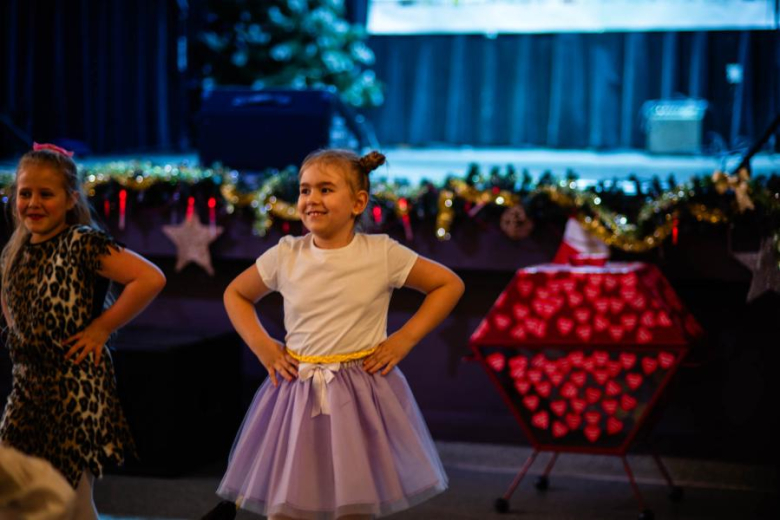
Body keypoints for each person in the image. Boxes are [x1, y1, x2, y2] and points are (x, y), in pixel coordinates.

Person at [204, 149, 464, 520]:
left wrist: (404, 339)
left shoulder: (381, 253)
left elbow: (447, 285)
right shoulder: (286, 254)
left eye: (325, 189)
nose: (311, 199)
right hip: (296, 393)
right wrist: (264, 346)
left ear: (358, 202)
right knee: (288, 502)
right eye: (304, 190)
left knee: (353, 502)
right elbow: (237, 294)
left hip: (359, 395)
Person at [0, 143, 166, 519]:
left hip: (74, 390)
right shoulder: (16, 249)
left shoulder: (82, 242)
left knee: (67, 500)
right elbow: (9, 297)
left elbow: (149, 278)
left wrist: (101, 328)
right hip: (27, 388)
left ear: (70, 198)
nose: (33, 203)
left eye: (46, 194)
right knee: (14, 494)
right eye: (25, 194)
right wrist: (19, 332)